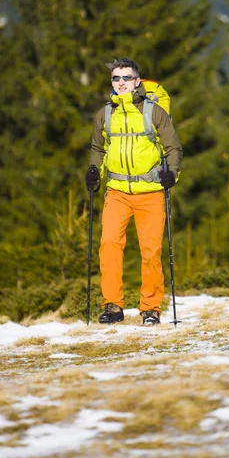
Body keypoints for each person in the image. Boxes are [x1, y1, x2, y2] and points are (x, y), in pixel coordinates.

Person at [85, 57, 183, 325]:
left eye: (126, 77)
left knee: (150, 251)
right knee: (109, 245)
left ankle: (150, 308)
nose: (121, 83)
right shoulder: (105, 114)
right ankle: (112, 307)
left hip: (150, 192)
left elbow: (173, 148)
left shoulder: (154, 112)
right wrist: (95, 171)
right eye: (116, 78)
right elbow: (98, 149)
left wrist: (171, 174)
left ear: (137, 81)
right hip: (117, 192)